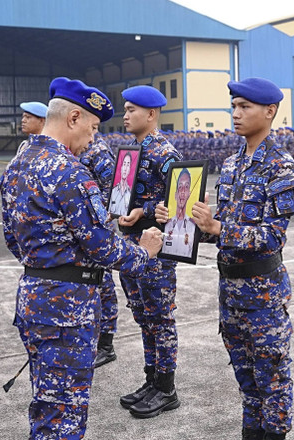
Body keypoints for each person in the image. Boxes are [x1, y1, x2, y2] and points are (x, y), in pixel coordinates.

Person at [0, 77, 163, 440]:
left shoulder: (17, 165)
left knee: (46, 401)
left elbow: (12, 239)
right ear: (73, 118)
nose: (92, 139)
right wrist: (145, 252)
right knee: (65, 414)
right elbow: (102, 247)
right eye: (91, 128)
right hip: (68, 309)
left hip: (33, 296)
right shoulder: (69, 172)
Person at [181, 77, 294, 440]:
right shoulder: (232, 164)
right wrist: (186, 225)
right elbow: (220, 227)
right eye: (233, 106)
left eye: (244, 107)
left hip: (263, 295)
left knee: (273, 380)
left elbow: (271, 237)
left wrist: (218, 228)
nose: (235, 114)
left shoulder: (280, 166)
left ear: (269, 111)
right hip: (230, 293)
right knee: (246, 380)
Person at [116, 85, 183, 420]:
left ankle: (167, 388)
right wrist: (133, 210)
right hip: (132, 244)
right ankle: (151, 379)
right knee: (143, 315)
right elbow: (132, 197)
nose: (125, 115)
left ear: (152, 114)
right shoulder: (132, 151)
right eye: (125, 110)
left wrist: (146, 212)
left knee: (160, 317)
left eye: (131, 110)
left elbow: (180, 201)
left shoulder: (163, 153)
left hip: (156, 249)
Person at [79, 131, 119, 368]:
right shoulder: (74, 148)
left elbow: (112, 191)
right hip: (84, 231)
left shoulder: (99, 152)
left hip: (99, 228)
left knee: (104, 285)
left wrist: (98, 218)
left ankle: (106, 345)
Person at [162, 168, 197, 259]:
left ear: (189, 193)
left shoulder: (193, 226)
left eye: (186, 187)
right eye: (180, 186)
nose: (182, 191)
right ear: (175, 194)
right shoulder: (165, 224)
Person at [109, 151, 133, 216]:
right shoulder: (113, 191)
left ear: (130, 169)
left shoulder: (131, 194)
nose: (125, 168)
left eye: (128, 165)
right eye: (124, 164)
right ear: (121, 167)